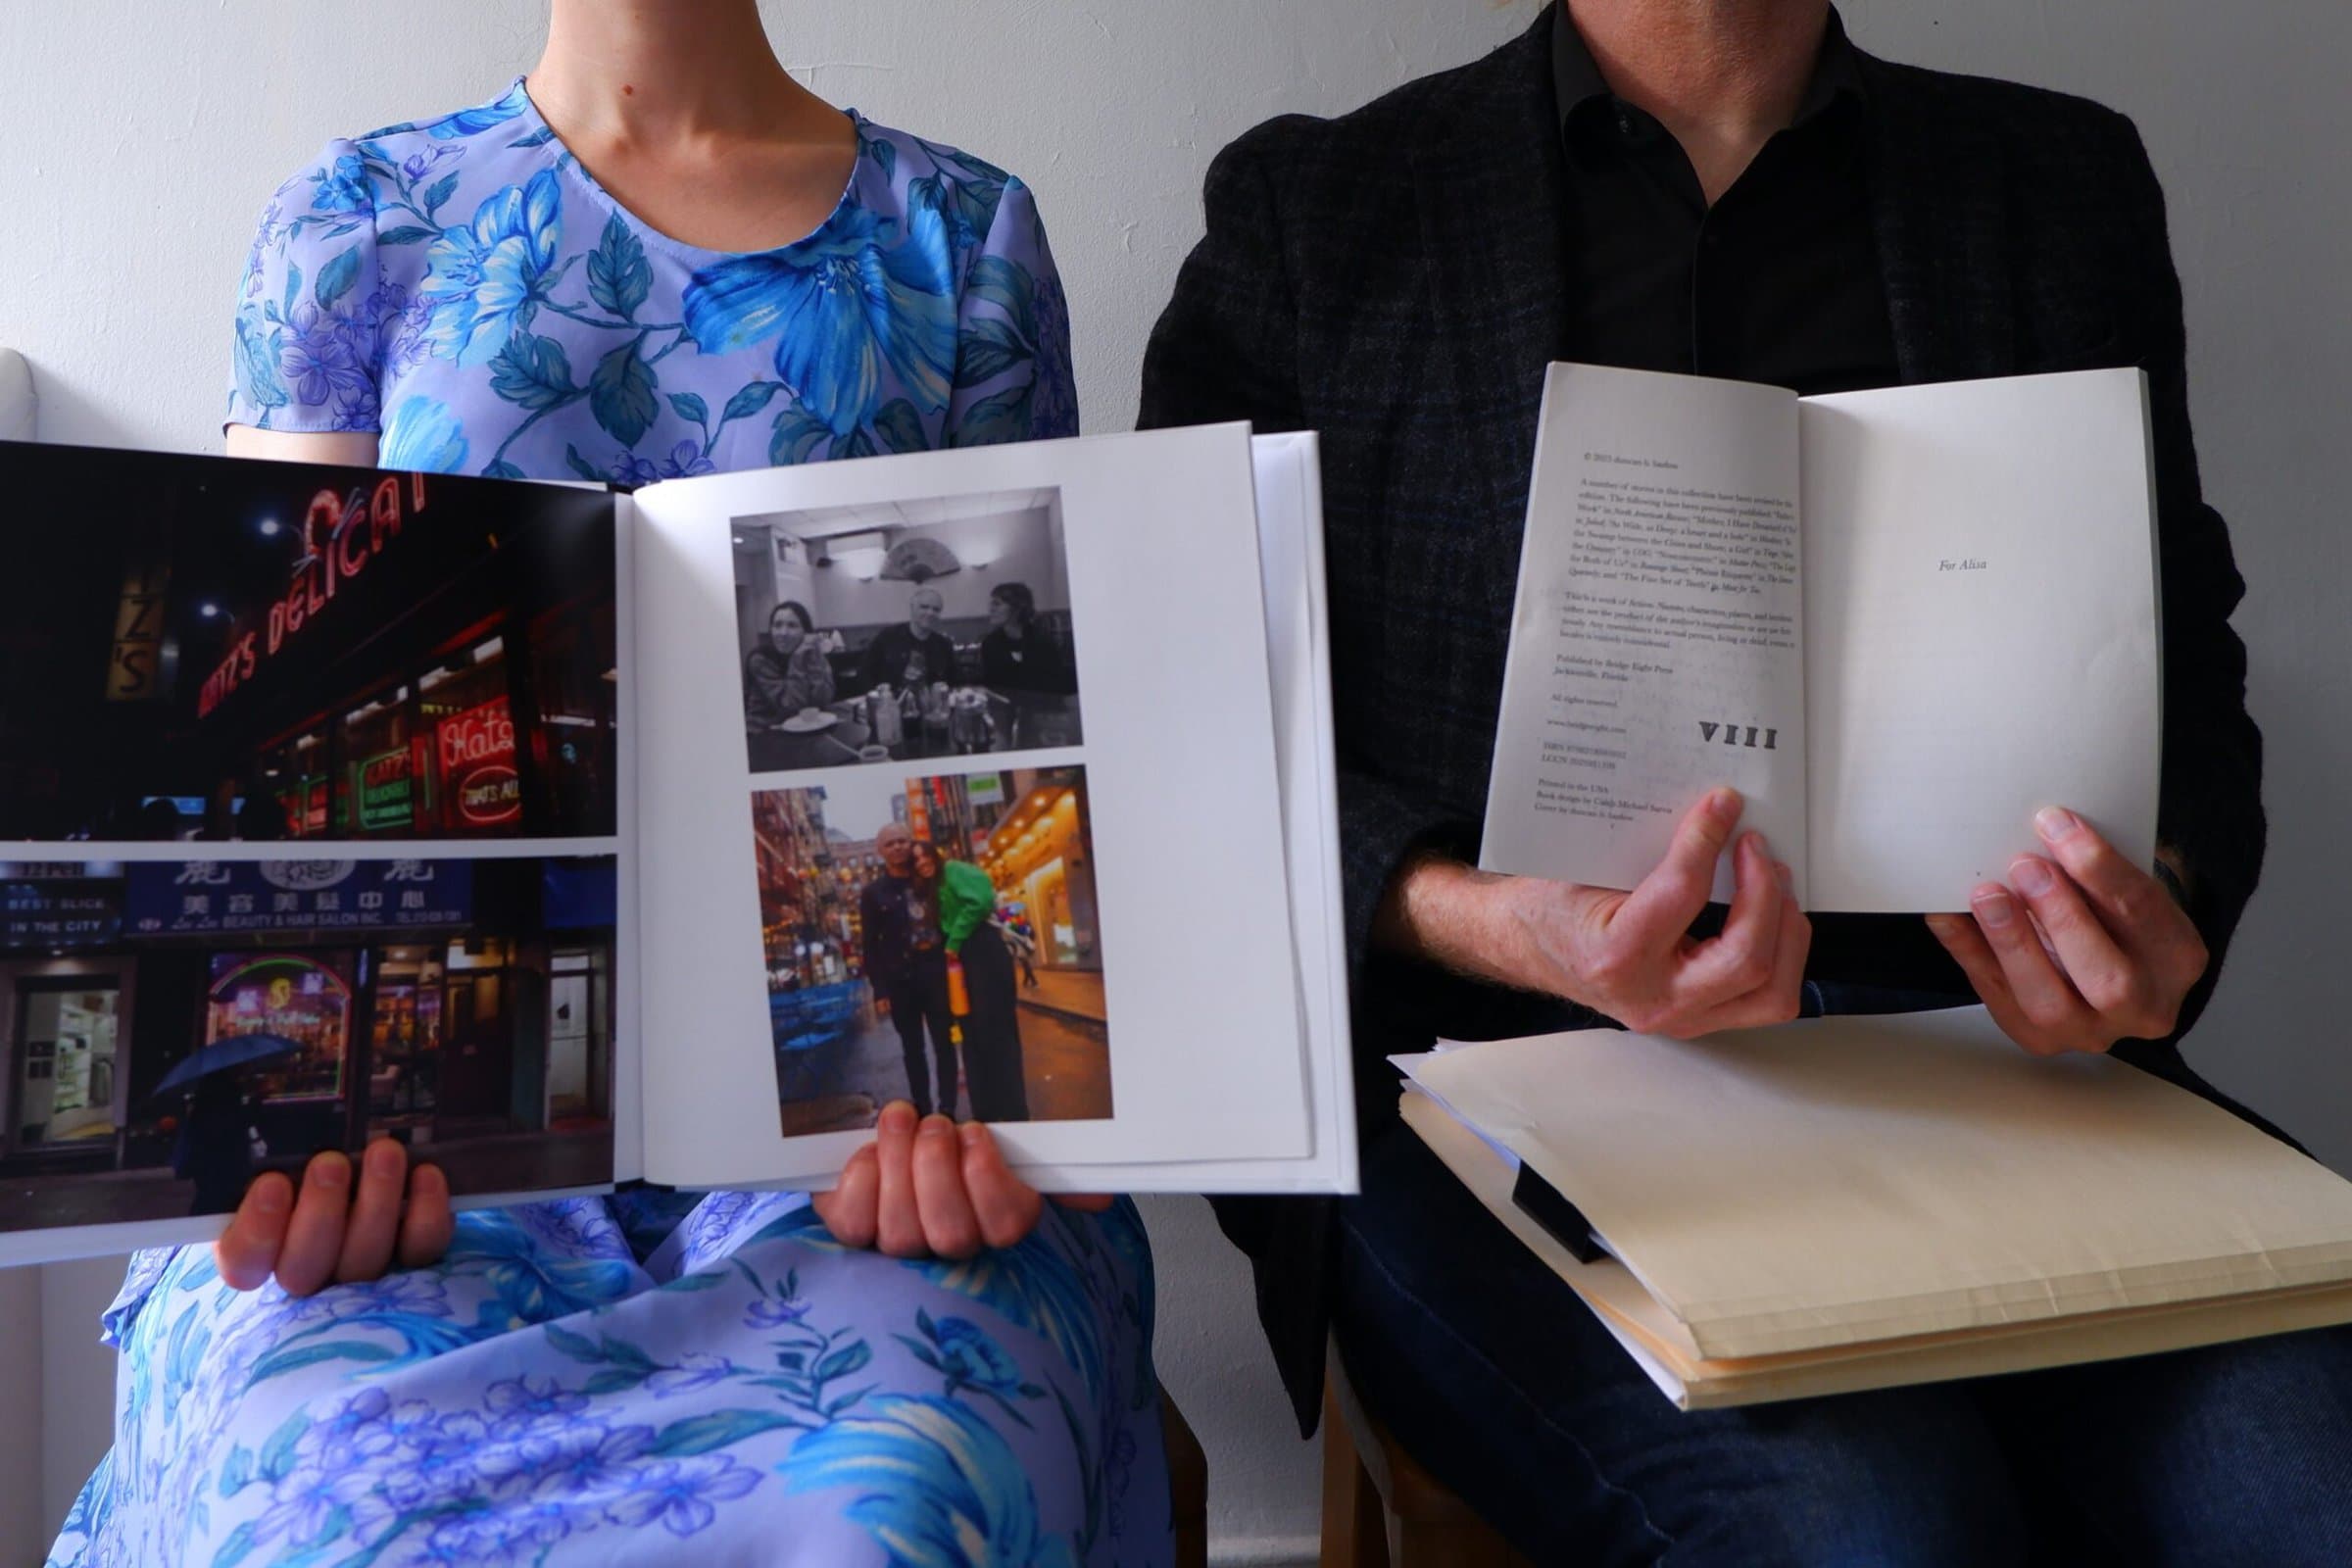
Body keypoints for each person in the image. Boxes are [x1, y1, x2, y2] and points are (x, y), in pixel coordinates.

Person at [1140, 2, 2351, 1562]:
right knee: (1870, 1529)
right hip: (1486, 1092)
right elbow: (1193, 724)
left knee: (2318, 1488)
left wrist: (2158, 907)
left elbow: (2184, 653)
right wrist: (1495, 920)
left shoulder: (2056, 182)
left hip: (2006, 1083)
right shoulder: (1322, 207)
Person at [47, 5, 1154, 1564]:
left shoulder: (963, 237)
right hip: (418, 1163)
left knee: (897, 1505)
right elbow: (267, 744)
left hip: (843, 1160)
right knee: (313, 1503)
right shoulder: (353, 222)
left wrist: (977, 1125)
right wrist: (305, 1132)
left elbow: (1047, 739)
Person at [857, 823, 959, 1119]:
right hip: (900, 981)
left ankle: (948, 1107)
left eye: (902, 841)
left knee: (945, 1042)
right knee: (913, 1049)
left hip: (936, 973)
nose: (897, 847)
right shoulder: (873, 893)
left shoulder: (929, 879)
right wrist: (880, 990)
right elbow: (870, 945)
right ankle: (923, 1107)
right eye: (890, 844)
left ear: (911, 843)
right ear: (880, 851)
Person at [938, 851, 1033, 1122]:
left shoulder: (953, 871)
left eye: (925, 857)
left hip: (982, 956)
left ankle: (1013, 1111)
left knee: (997, 1036)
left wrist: (954, 940)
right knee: (973, 1039)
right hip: (962, 964)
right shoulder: (933, 884)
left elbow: (980, 901)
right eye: (916, 859)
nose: (921, 863)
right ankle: (986, 1112)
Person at [742, 598, 834, 726]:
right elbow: (791, 707)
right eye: (777, 625)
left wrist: (814, 661)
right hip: (764, 731)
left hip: (803, 728)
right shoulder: (759, 659)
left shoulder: (811, 653)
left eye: (792, 626)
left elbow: (824, 700)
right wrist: (797, 661)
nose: (783, 633)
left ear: (806, 632)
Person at [856, 584, 959, 692]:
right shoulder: (887, 637)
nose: (930, 613)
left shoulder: (944, 645)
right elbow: (864, 673)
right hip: (890, 700)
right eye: (924, 607)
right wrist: (876, 694)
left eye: (936, 609)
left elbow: (956, 682)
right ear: (912, 607)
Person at [979, 579, 1073, 694]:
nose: (991, 609)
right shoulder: (990, 643)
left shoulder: (1042, 642)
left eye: (997, 604)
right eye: (991, 604)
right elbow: (991, 685)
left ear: (1017, 608)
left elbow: (1056, 685)